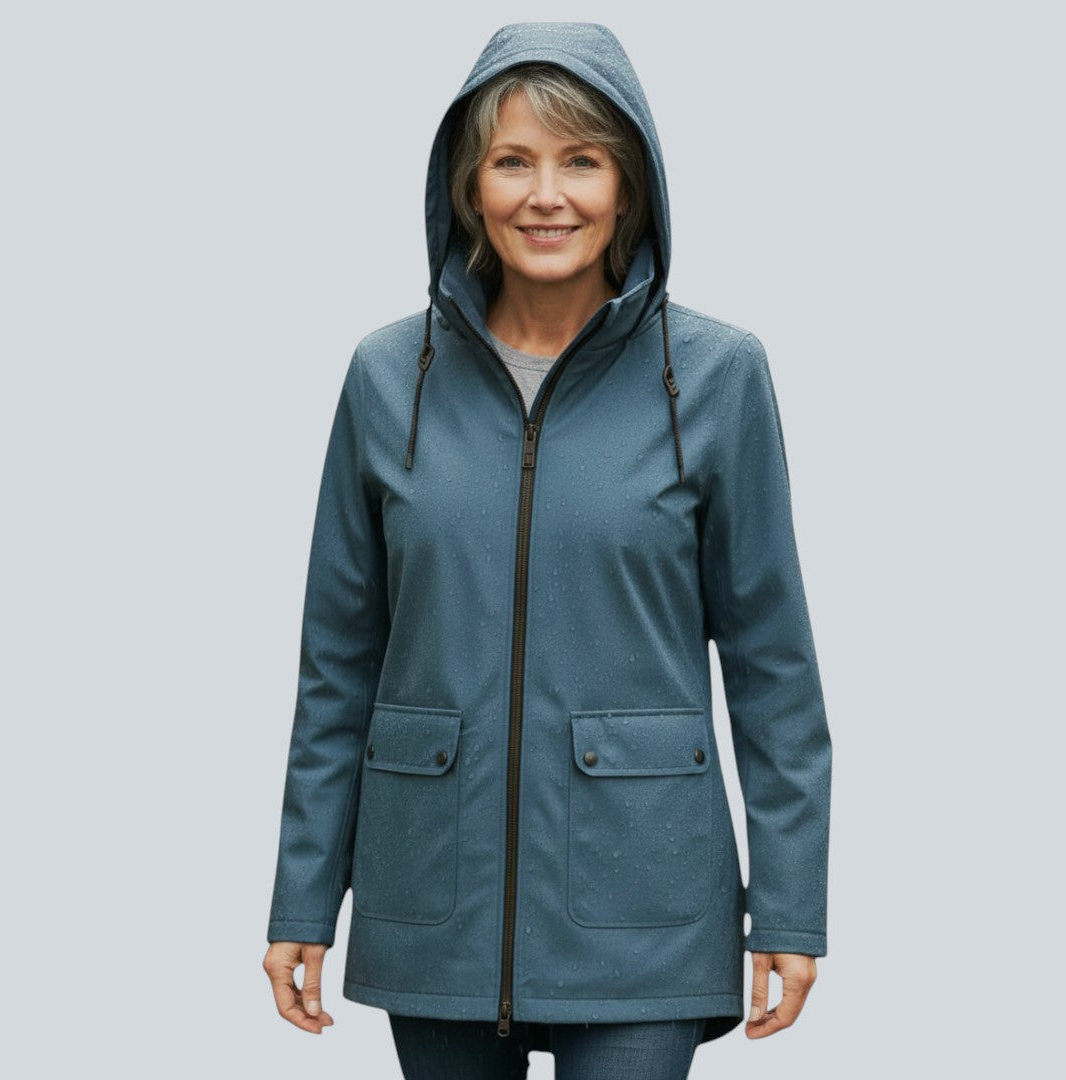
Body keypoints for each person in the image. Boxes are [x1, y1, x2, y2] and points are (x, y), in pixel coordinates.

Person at [263, 21, 832, 1079]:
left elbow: (774, 668)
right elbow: (337, 662)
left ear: (630, 186)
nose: (546, 196)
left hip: (644, 905)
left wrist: (790, 909)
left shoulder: (718, 378)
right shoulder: (386, 377)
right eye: (512, 162)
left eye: (582, 161)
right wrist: (304, 897)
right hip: (434, 899)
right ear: (468, 186)